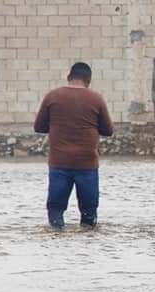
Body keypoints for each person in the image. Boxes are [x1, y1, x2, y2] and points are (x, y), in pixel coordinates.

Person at [33, 62, 113, 228]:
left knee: (55, 212)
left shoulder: (52, 96)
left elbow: (39, 127)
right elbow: (108, 130)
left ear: (69, 77)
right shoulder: (96, 99)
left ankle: (56, 239)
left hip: (59, 163)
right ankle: (87, 242)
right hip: (87, 164)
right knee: (89, 215)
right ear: (88, 80)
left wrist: (58, 124)